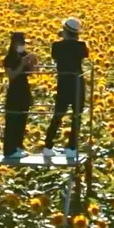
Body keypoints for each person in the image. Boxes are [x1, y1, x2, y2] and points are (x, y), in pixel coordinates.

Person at [43, 17, 89, 159]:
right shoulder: (81, 45)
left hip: (63, 82)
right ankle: (72, 147)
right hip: (77, 82)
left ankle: (48, 145)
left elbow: (56, 58)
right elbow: (84, 56)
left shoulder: (56, 46)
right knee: (77, 116)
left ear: (64, 30)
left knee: (58, 115)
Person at [3, 32, 33, 158]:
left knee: (22, 119)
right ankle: (9, 150)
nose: (23, 46)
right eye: (21, 43)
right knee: (13, 120)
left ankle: (18, 147)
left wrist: (32, 62)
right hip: (14, 91)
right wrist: (22, 63)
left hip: (24, 89)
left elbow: (30, 72)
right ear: (14, 43)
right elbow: (12, 75)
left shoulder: (24, 55)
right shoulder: (9, 58)